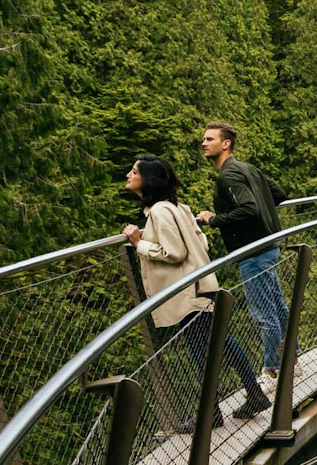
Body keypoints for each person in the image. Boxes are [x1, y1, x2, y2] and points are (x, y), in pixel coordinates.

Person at [123, 156, 271, 425]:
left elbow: (175, 252)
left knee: (203, 352)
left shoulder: (158, 212)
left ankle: (213, 414)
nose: (128, 175)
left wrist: (139, 244)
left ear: (149, 179)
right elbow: (200, 244)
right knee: (220, 343)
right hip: (200, 285)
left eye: (134, 171)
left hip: (186, 294)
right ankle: (250, 394)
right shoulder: (179, 207)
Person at [194, 121, 296, 393]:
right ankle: (292, 355)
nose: (204, 143)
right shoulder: (248, 168)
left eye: (209, 139)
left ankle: (272, 370)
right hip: (269, 245)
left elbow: (249, 208)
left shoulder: (228, 175)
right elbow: (278, 194)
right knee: (277, 304)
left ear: (225, 143)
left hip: (254, 252)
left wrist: (214, 219)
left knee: (264, 314)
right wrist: (262, 215)